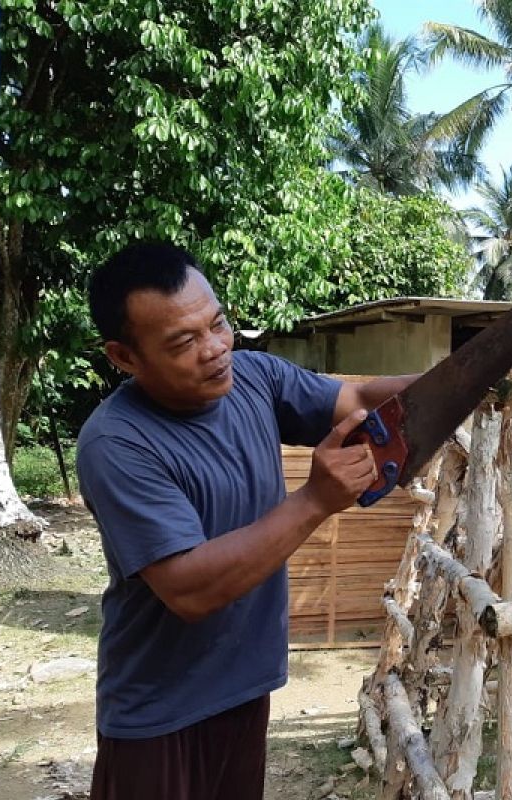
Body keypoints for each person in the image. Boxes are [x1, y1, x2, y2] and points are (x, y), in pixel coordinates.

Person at [76, 242, 416, 800]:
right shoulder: (116, 443)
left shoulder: (253, 377)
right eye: (184, 342)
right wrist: (314, 501)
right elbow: (188, 589)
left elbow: (356, 396)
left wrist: (465, 379)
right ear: (124, 357)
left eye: (218, 324)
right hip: (159, 712)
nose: (214, 350)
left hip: (244, 689)